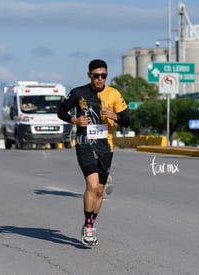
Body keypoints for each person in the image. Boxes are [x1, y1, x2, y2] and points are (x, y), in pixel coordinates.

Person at [57, 59, 131, 246]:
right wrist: (74, 120)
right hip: (84, 143)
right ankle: (89, 229)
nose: (100, 79)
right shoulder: (78, 93)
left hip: (106, 145)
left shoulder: (113, 94)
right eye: (96, 75)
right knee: (92, 185)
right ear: (89, 75)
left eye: (103, 76)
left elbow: (127, 120)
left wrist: (116, 116)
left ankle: (88, 223)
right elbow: (61, 111)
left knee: (99, 190)